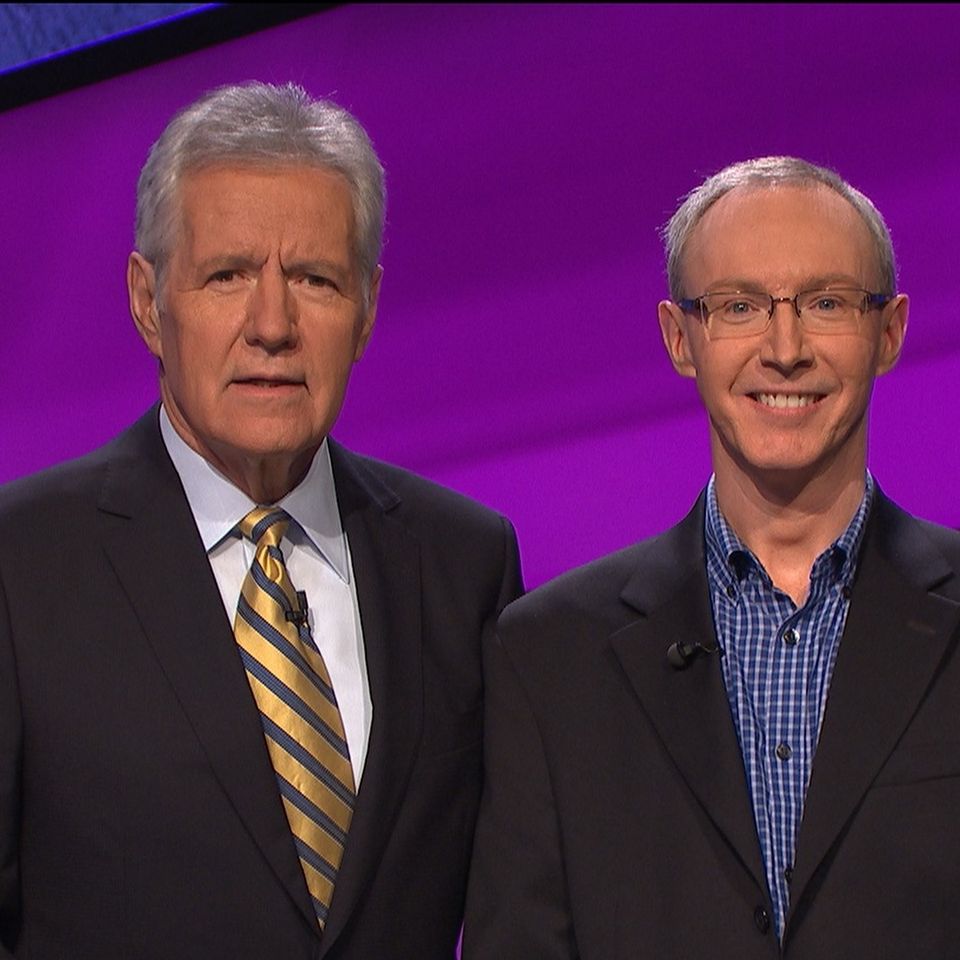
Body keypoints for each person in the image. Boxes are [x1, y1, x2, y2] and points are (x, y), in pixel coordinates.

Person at [0, 81, 522, 959]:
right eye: (228, 275)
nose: (272, 325)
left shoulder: (463, 563)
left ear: (366, 309)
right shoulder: (22, 566)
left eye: (315, 279)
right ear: (146, 300)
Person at [463, 156, 960, 958]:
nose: (785, 348)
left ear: (890, 331)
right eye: (739, 307)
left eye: (826, 302)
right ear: (680, 338)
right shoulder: (548, 656)